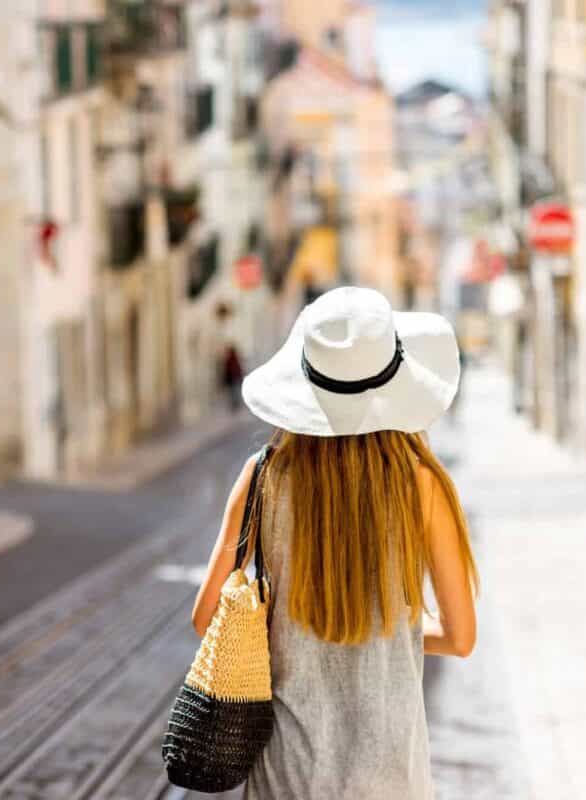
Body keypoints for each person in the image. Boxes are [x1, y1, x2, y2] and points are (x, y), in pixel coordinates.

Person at [192, 286, 479, 799]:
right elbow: (460, 637)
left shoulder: (261, 478)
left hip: (286, 773)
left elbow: (205, 617)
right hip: (392, 774)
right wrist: (391, 634)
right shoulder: (423, 485)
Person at [222, 342, 244, 412]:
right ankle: (235, 404)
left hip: (233, 379)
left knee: (234, 392)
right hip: (234, 379)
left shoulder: (231, 359)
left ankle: (235, 404)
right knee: (234, 392)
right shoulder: (232, 359)